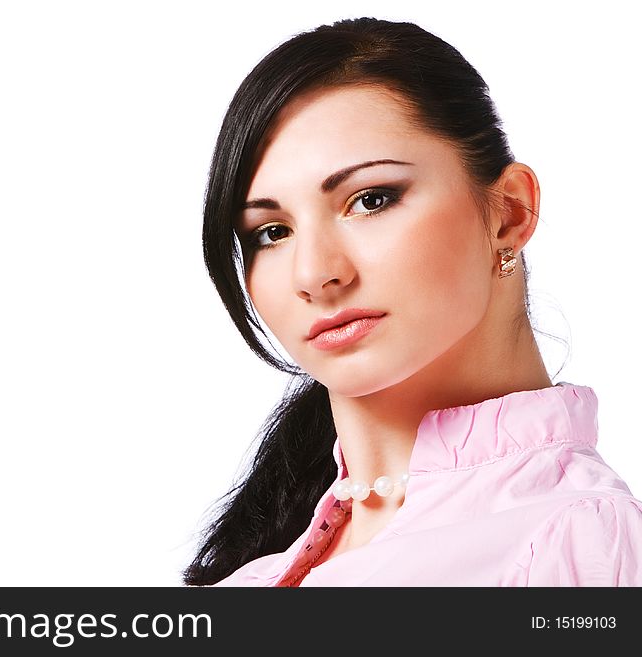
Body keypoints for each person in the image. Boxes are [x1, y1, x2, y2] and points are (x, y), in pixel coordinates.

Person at [184, 17, 642, 587]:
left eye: (371, 199)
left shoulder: (576, 538)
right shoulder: (252, 575)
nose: (315, 273)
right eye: (271, 232)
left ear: (509, 213)